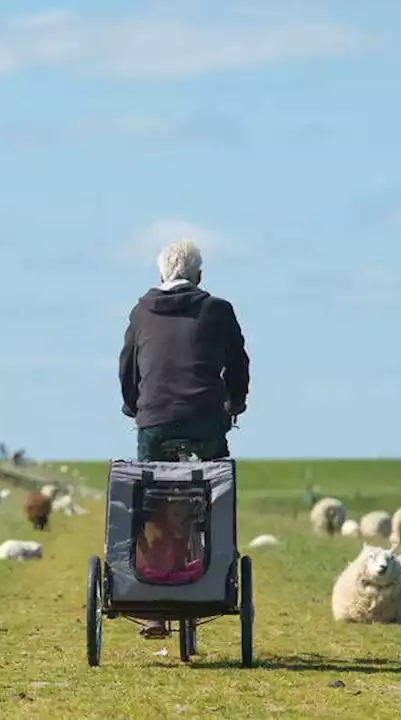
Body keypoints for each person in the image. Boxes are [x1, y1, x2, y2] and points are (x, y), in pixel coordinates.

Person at [119, 237, 250, 639]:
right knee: (213, 495)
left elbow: (128, 368)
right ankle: (210, 577)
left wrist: (133, 407)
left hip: (154, 422)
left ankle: (153, 605)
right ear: (199, 276)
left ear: (161, 274)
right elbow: (238, 363)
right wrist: (236, 403)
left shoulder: (142, 312)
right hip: (206, 420)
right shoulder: (219, 310)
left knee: (152, 505)